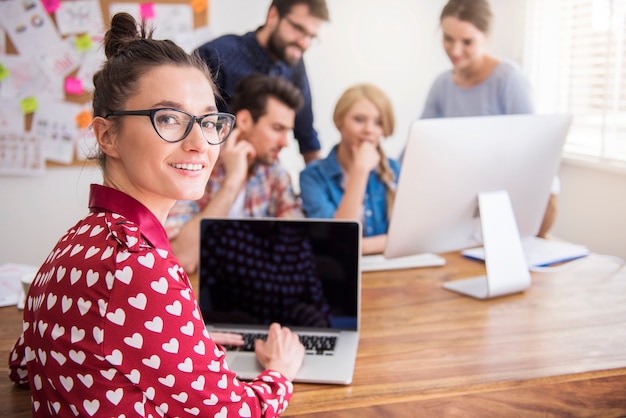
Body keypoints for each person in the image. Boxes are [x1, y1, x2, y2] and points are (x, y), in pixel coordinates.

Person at [8, 13, 304, 417]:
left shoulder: (76, 239)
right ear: (107, 135)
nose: (200, 143)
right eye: (168, 118)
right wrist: (281, 373)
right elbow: (234, 413)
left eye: (208, 120)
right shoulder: (138, 266)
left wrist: (176, 344)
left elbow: (23, 364)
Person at [420, 0, 556, 236]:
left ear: (486, 37)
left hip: (503, 203)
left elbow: (534, 150)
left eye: (467, 42)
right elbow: (419, 144)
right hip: (454, 202)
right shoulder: (442, 85)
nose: (455, 50)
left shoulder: (507, 79)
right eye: (448, 39)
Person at [165, 73, 305, 274]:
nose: (285, 142)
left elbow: (300, 243)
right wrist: (233, 181)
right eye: (277, 128)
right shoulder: (195, 163)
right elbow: (183, 257)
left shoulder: (273, 171)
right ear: (246, 120)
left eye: (287, 131)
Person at [195, 0, 330, 164]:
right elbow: (190, 123)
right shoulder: (217, 54)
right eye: (298, 29)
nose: (304, 43)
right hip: (211, 168)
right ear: (273, 15)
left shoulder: (295, 65)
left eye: (311, 37)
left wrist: (319, 182)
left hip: (264, 174)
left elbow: (306, 133)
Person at [299, 83, 400, 255]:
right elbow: (337, 243)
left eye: (378, 123)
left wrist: (359, 246)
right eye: (359, 119)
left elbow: (409, 238)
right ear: (339, 121)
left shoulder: (393, 169)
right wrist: (359, 171)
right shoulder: (313, 177)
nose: (369, 130)